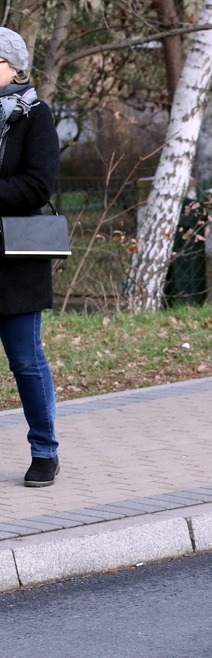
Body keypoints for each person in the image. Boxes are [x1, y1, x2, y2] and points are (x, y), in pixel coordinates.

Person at [0, 27, 61, 488]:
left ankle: (44, 451)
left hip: (15, 264)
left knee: (25, 360)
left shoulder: (35, 115)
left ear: (13, 66)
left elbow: (38, 186)